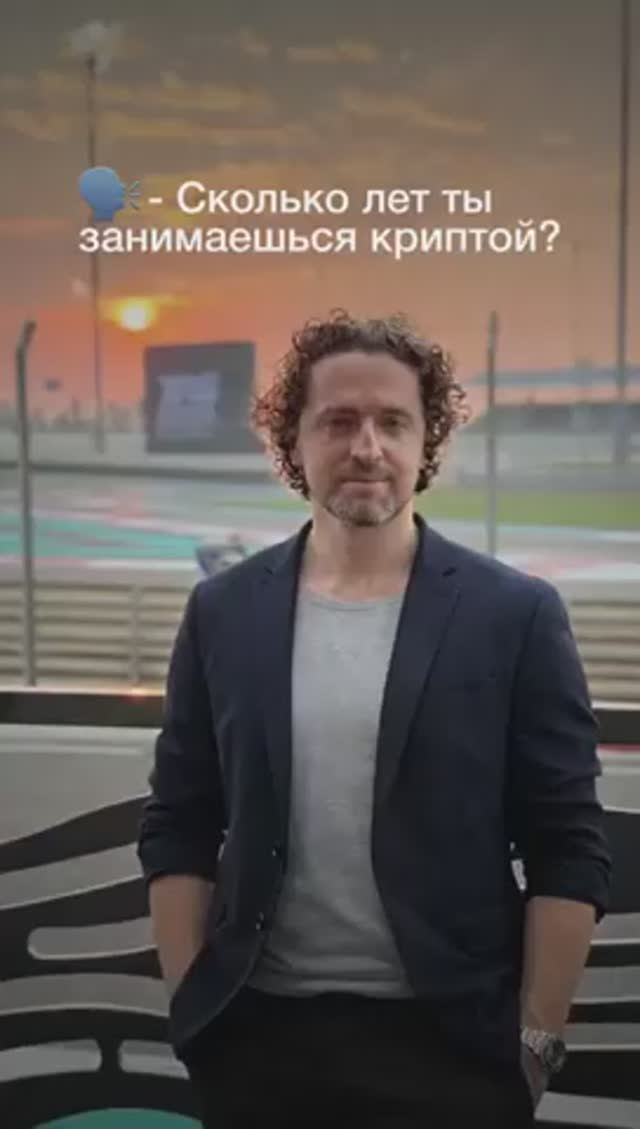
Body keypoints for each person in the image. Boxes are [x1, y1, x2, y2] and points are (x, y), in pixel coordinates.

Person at [137, 310, 611, 1128]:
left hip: (452, 1046)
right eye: (338, 421)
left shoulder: (514, 615)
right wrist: (194, 1012)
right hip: (259, 1041)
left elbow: (567, 843)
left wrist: (535, 1038)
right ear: (294, 442)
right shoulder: (223, 611)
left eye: (393, 422)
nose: (367, 447)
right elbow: (180, 822)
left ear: (427, 441)